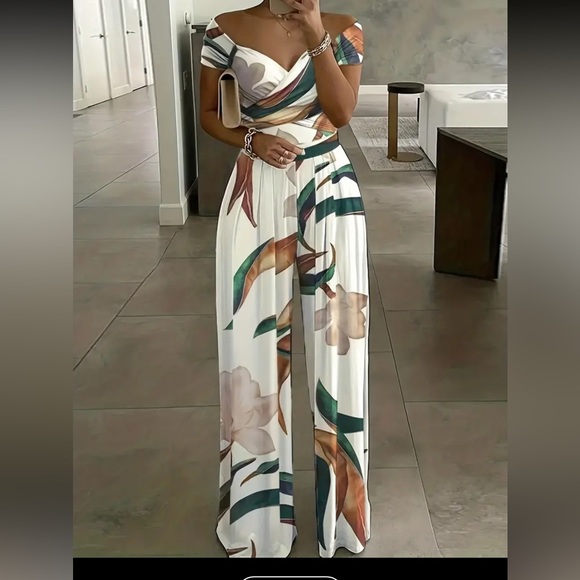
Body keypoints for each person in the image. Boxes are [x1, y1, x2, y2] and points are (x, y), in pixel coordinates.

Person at [199, 0, 370, 558]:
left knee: (339, 346)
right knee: (251, 346)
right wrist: (251, 140)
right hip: (257, 188)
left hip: (329, 187)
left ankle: (340, 516)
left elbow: (342, 113)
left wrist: (317, 32)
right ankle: (257, 519)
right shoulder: (223, 30)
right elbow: (209, 113)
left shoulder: (345, 30)